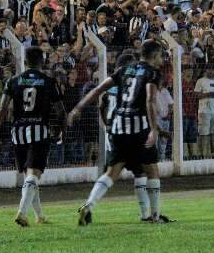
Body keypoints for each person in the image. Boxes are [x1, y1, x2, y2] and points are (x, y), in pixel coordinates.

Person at [68, 40, 172, 225]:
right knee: (152, 172)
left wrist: (77, 108)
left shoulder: (125, 70)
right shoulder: (152, 73)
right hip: (139, 129)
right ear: (155, 56)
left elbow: (98, 90)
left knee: (111, 173)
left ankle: (89, 205)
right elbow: (149, 100)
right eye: (161, 56)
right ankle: (155, 216)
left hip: (118, 128)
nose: (162, 60)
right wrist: (154, 129)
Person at [0, 46, 65, 227]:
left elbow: (2, 108)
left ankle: (40, 216)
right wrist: (61, 130)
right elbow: (61, 111)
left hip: (18, 134)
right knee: (33, 174)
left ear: (24, 62)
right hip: (39, 131)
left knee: (29, 177)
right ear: (43, 61)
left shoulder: (12, 81)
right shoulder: (48, 81)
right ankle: (22, 213)